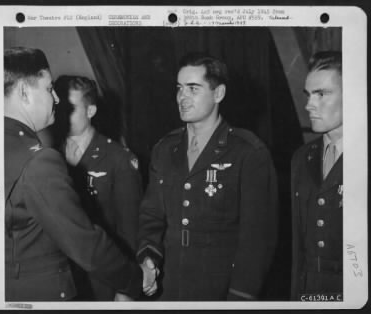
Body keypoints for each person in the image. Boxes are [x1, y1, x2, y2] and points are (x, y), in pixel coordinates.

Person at [4, 47, 156, 301]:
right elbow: (81, 238)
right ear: (23, 92)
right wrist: (134, 280)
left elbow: (130, 227)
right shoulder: (42, 158)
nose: (56, 99)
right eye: (48, 89)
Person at [137, 52, 278, 301]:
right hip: (168, 288)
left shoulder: (247, 151)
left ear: (218, 94)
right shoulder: (165, 148)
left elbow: (257, 239)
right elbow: (152, 217)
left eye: (193, 89)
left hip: (218, 291)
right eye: (179, 88)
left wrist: (240, 298)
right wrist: (148, 259)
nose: (182, 97)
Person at [53, 75, 142, 301]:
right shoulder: (50, 155)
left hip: (101, 281)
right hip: (61, 279)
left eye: (71, 108)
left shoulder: (118, 158)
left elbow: (129, 230)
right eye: (59, 107)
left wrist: (126, 290)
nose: (63, 114)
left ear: (91, 111)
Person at [290, 51, 343, 301]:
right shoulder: (302, 158)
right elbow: (299, 250)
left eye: (322, 94)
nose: (309, 104)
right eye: (308, 95)